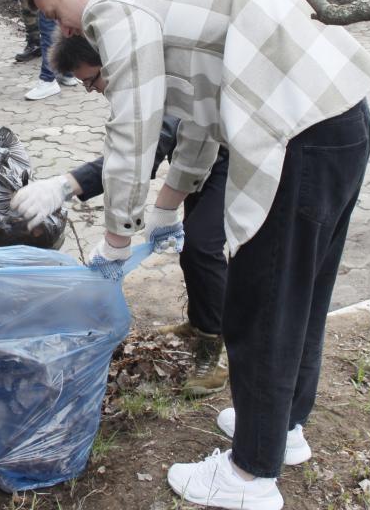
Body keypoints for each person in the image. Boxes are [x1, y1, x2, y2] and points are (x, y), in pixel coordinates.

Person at [22, 0, 370, 510]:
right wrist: (167, 206)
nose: (64, 31)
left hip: (296, 137)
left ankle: (249, 476)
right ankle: (281, 428)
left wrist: (116, 240)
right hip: (336, 120)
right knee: (300, 294)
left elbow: (135, 126)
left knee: (259, 303)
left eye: (54, 14)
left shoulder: (115, 6)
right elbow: (198, 111)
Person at [12, 33, 230, 396]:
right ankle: (200, 321)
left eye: (91, 80)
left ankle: (212, 353)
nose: (91, 90)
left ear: (110, 62)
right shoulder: (131, 81)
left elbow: (139, 156)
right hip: (196, 155)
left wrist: (66, 186)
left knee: (203, 247)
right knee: (191, 242)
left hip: (230, 154)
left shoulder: (149, 79)